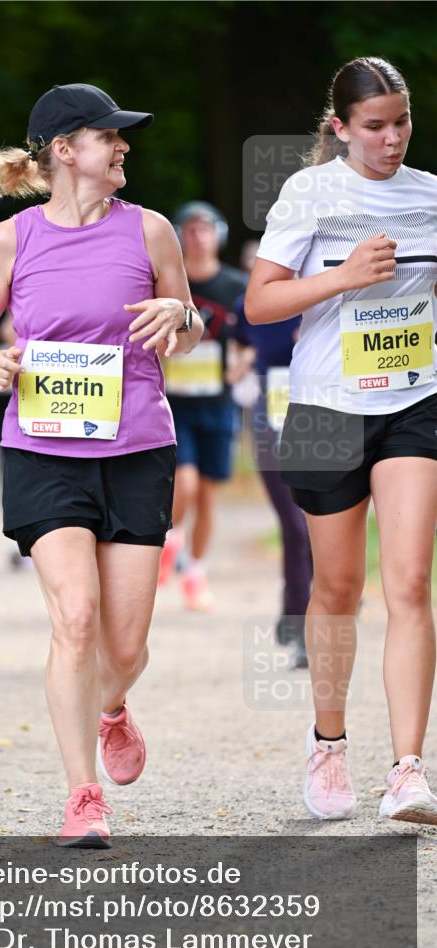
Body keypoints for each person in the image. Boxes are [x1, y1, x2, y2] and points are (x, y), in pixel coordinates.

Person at [0, 83, 203, 847]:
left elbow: (188, 326)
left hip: (135, 448)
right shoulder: (12, 239)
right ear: (64, 150)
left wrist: (181, 318)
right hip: (43, 448)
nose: (124, 146)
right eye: (108, 136)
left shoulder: (151, 231)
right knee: (76, 619)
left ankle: (112, 706)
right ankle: (82, 795)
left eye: (124, 136)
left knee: (124, 648)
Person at [245, 57, 437, 824]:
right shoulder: (310, 193)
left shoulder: (429, 196)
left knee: (410, 582)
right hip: (325, 409)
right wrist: (343, 276)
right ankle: (327, 744)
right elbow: (261, 304)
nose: (390, 139)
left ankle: (408, 771)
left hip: (413, 400)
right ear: (339, 128)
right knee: (335, 591)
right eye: (373, 126)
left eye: (400, 122)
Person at [159, 202, 248, 611]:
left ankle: (195, 571)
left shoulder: (235, 286)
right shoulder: (169, 284)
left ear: (219, 235)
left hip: (218, 402)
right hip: (176, 403)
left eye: (206, 229)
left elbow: (253, 338)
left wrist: (240, 365)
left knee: (210, 494)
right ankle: (170, 541)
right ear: (179, 236)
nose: (198, 237)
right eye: (191, 230)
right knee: (186, 484)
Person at [231, 250, 312, 670]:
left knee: (321, 525)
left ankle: (301, 609)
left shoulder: (323, 294)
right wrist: (239, 364)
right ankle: (300, 626)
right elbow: (241, 344)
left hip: (324, 420)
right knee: (296, 526)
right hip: (271, 421)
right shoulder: (253, 306)